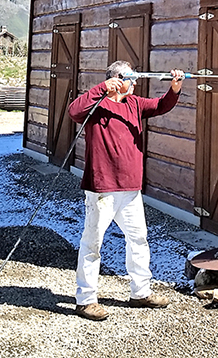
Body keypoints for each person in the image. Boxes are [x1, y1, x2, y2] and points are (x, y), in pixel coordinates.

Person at [67, 60, 185, 320]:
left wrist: (174, 89)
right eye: (131, 78)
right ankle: (85, 300)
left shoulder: (135, 104)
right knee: (92, 244)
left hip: (130, 189)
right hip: (102, 189)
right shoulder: (96, 105)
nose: (136, 83)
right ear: (118, 79)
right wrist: (102, 88)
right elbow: (74, 111)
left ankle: (140, 292)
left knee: (138, 239)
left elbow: (160, 105)